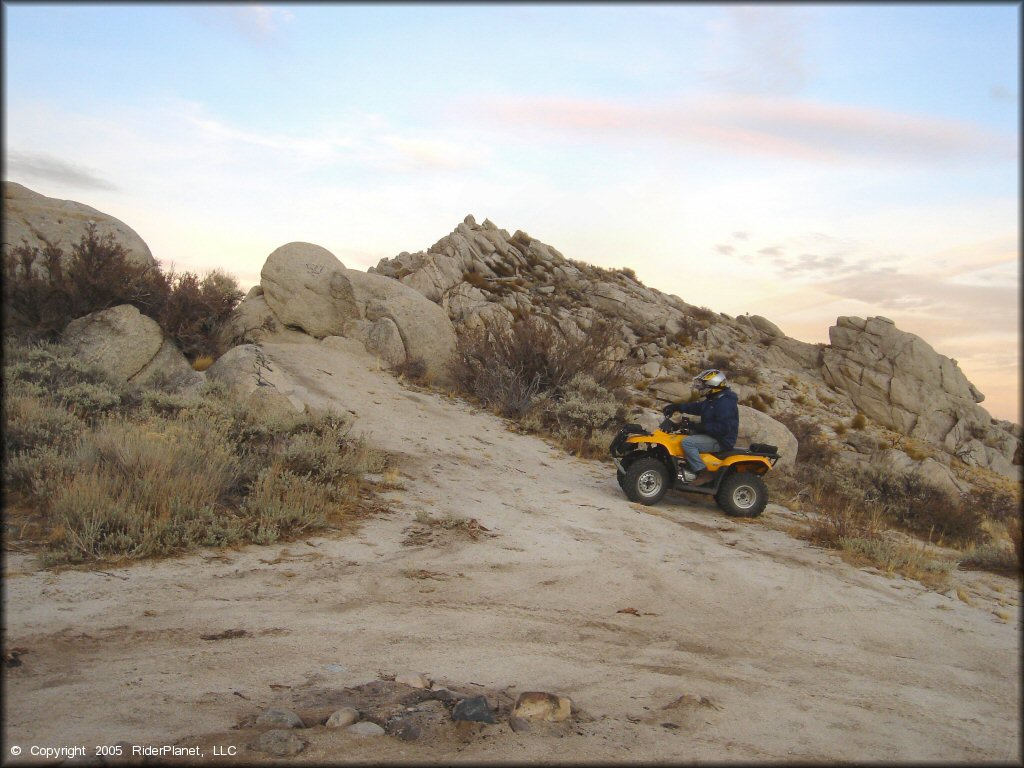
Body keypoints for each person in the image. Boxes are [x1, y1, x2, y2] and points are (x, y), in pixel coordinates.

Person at [662, 369, 739, 486]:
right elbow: (696, 407)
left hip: (721, 440)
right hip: (712, 435)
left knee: (688, 443)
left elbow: (724, 428)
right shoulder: (714, 399)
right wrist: (677, 407)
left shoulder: (725, 403)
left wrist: (699, 427)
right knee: (680, 435)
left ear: (713, 385)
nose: (700, 388)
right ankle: (683, 469)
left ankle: (704, 473)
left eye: (703, 385)